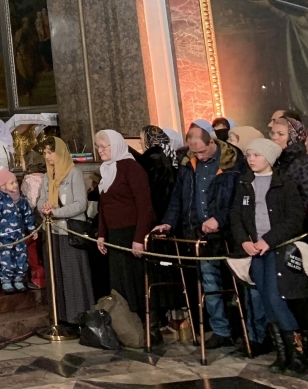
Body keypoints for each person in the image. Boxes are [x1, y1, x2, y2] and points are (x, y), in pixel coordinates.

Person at [152, 120, 241, 348]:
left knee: (240, 284)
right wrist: (168, 223)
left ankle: (250, 332)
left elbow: (237, 199)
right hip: (198, 233)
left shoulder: (231, 160)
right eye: (195, 152)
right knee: (209, 282)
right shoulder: (187, 162)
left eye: (202, 151)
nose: (199, 157)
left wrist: (219, 219)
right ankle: (220, 330)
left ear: (212, 142)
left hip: (230, 232)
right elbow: (178, 197)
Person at [232, 138, 308, 373]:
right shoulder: (245, 182)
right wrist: (245, 240)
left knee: (277, 298)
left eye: (256, 155)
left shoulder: (284, 183)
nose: (251, 159)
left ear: (269, 158)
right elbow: (235, 215)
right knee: (265, 299)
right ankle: (282, 354)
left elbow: (295, 218)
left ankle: (297, 354)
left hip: (278, 249)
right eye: (249, 155)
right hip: (256, 250)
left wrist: (269, 239)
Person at [95, 129, 154, 318]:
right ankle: (125, 322)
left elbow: (144, 205)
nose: (100, 151)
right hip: (115, 234)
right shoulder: (106, 169)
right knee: (119, 282)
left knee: (134, 281)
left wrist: (139, 238)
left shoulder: (131, 168)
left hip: (131, 233)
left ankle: (146, 324)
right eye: (98, 147)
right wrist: (102, 234)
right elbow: (103, 206)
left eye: (104, 147)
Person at [38, 136, 95, 322]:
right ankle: (60, 316)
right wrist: (44, 209)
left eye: (50, 152)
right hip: (52, 232)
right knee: (57, 276)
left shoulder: (73, 173)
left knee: (73, 276)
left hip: (69, 232)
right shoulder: (47, 176)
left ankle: (77, 317)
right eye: (45, 152)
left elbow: (80, 204)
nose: (47, 157)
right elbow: (41, 199)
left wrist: (57, 212)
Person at [0, 168, 37, 294]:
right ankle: (6, 281)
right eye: (11, 183)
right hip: (4, 237)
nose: (15, 185)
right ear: (3, 185)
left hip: (19, 235)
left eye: (16, 182)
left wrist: (32, 229)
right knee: (6, 259)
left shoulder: (21, 199)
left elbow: (27, 215)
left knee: (21, 258)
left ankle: (18, 278)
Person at [270, 116, 308, 206]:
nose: (274, 138)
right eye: (273, 133)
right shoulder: (274, 159)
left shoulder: (306, 163)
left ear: (293, 137)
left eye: (281, 134)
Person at [136, 125, 177, 222]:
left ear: (149, 139)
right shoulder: (170, 155)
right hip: (171, 211)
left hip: (156, 211)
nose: (139, 142)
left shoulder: (150, 160)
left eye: (142, 138)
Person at [21, 149, 47, 289]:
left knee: (32, 248)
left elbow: (29, 201)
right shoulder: (47, 177)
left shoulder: (28, 180)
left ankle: (38, 278)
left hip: (34, 216)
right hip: (47, 215)